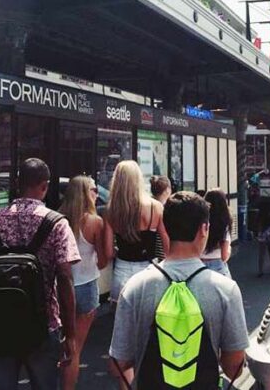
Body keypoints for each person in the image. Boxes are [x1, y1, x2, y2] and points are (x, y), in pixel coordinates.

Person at [109, 191, 249, 388]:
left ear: (165, 226)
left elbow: (118, 364)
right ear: (204, 229)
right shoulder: (226, 290)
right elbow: (233, 367)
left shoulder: (135, 287)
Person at [0, 158, 80, 389]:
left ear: (18, 183)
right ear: (45, 186)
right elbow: (65, 278)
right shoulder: (57, 223)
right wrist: (70, 334)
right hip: (43, 323)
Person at [58, 175, 106, 390]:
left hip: (60, 287)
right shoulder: (95, 222)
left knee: (56, 346)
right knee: (74, 349)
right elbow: (104, 260)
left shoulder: (57, 218)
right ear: (86, 193)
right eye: (93, 189)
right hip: (86, 286)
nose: (96, 193)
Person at [103, 160, 169, 303]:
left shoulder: (111, 211)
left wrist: (117, 250)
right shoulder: (155, 207)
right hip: (149, 269)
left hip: (121, 271)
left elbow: (108, 252)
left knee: (121, 321)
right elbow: (167, 246)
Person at [201, 188, 232, 278]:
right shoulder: (223, 224)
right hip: (218, 266)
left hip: (199, 265)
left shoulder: (200, 222)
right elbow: (224, 256)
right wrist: (229, 249)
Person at [150, 175, 172, 259]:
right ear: (167, 190)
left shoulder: (148, 208)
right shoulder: (166, 210)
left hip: (149, 255)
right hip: (163, 255)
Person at [255, 195, 270, 276]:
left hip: (262, 233)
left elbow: (256, 223)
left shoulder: (260, 213)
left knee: (261, 253)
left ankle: (260, 270)